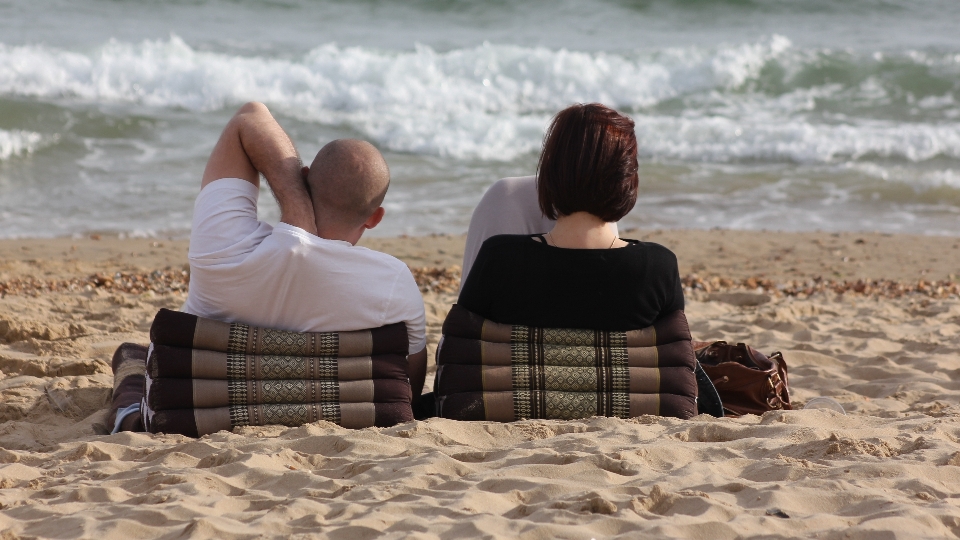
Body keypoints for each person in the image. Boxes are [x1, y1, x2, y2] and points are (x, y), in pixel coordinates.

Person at [181, 102, 428, 398]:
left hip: (209, 399)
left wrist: (296, 205)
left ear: (304, 177)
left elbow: (249, 116)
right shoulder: (392, 283)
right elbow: (406, 385)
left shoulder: (223, 245)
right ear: (375, 217)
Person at [457, 103, 683, 330]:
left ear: (549, 173)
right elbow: (674, 354)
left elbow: (458, 349)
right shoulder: (657, 268)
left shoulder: (498, 259)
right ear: (626, 179)